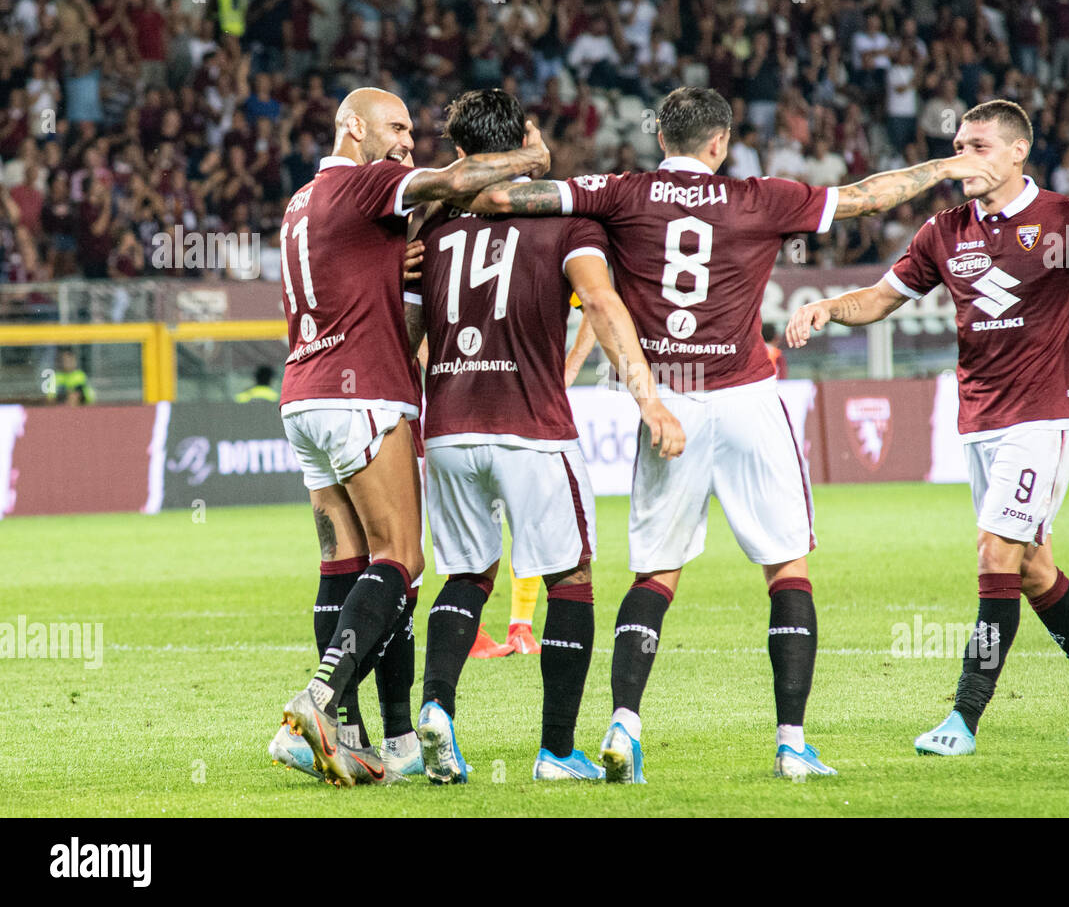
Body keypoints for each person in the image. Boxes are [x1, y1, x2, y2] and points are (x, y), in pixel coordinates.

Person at [459, 86, 994, 780]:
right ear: (719, 144)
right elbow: (866, 197)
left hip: (668, 404)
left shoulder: (621, 192)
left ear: (661, 140)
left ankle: (624, 723)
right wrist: (942, 170)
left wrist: (528, 157)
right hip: (745, 397)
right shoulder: (761, 196)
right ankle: (792, 743)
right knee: (787, 568)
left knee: (655, 573)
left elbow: (500, 201)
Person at [788, 99, 1069, 755]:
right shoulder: (945, 231)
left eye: (977, 145)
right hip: (977, 421)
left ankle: (963, 718)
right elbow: (879, 298)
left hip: (1041, 417)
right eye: (957, 145)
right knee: (1034, 568)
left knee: (994, 554)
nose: (962, 159)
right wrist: (826, 307)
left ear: (1018, 151)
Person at [404, 88, 683, 783]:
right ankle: (558, 750)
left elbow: (408, 337)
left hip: (448, 429)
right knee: (573, 577)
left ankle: (436, 708)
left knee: (465, 573)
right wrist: (646, 395)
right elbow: (604, 301)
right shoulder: (567, 221)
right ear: (524, 143)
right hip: (530, 426)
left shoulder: (432, 232)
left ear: (461, 155)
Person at [274, 86, 549, 787]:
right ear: (350, 125)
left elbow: (347, 270)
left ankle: (373, 739)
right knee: (403, 559)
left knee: (346, 565)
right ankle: (318, 696)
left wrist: (389, 264)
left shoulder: (300, 204)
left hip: (303, 396)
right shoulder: (369, 185)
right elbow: (457, 179)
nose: (404, 141)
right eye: (393, 127)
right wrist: (531, 156)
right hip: (362, 391)